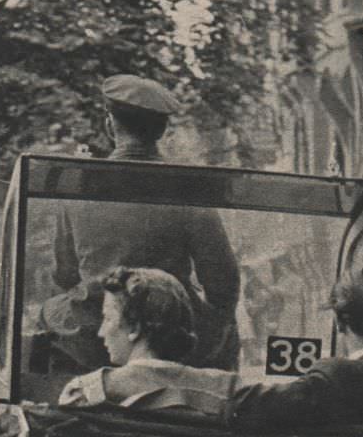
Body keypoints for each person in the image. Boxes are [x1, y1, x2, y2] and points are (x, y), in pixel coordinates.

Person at [68, 264, 363, 431]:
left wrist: (130, 381)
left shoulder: (330, 380)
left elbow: (243, 408)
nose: (102, 330)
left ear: (340, 323)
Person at [41, 73, 240, 373]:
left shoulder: (78, 189)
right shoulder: (188, 190)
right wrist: (209, 335)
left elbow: (64, 275)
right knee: (225, 330)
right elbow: (223, 285)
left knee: (48, 316)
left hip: (92, 337)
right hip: (170, 339)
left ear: (110, 125)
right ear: (162, 130)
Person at [58, 267, 237, 415]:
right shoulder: (230, 389)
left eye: (108, 319)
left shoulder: (86, 393)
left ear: (135, 329)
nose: (101, 332)